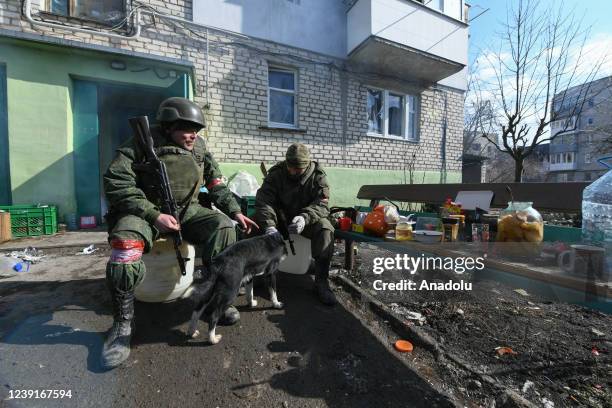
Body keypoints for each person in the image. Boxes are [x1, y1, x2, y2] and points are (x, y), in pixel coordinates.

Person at [101, 97, 257, 369]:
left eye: (196, 129)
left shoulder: (199, 148)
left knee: (222, 228)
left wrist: (234, 212)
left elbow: (216, 183)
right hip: (145, 211)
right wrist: (153, 215)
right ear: (168, 126)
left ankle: (213, 299)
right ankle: (122, 324)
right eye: (186, 129)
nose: (192, 135)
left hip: (188, 211)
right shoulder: (140, 142)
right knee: (125, 248)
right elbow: (116, 182)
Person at [254, 143, 337, 306]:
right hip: (279, 219)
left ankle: (321, 281)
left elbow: (322, 204)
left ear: (306, 166)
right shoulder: (276, 174)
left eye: (297, 169)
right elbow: (264, 201)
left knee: (326, 228)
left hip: (306, 220)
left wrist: (305, 218)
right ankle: (253, 274)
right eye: (290, 167)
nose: (292, 171)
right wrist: (269, 225)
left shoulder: (318, 176)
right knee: (253, 223)